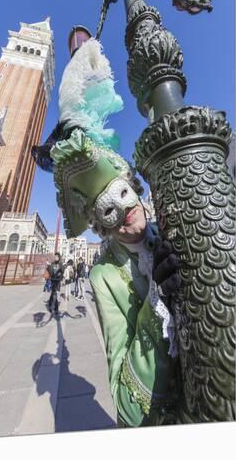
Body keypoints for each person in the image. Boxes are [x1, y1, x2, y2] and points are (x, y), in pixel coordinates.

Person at [32, 36, 181, 427]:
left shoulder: (173, 224)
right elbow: (125, 402)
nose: (129, 213)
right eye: (110, 212)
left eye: (127, 195)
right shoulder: (103, 277)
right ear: (101, 225)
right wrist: (156, 302)